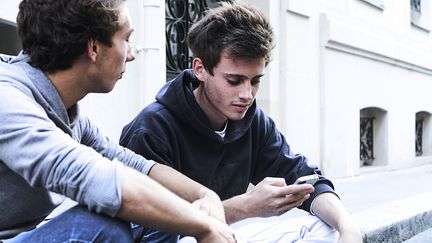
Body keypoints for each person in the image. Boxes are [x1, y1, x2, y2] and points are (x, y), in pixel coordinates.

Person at [120, 2, 362, 242]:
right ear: (200, 69)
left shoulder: (252, 120)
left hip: (226, 236)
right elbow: (147, 233)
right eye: (234, 80)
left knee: (324, 227)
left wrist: (348, 227)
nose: (247, 94)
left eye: (255, 81)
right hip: (182, 240)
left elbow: (302, 176)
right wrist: (245, 207)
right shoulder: (151, 129)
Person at [0, 0, 237, 242]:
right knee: (98, 226)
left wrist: (205, 195)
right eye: (126, 39)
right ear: (93, 47)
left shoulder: (68, 111)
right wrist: (203, 227)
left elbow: (132, 164)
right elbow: (95, 178)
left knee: (163, 211)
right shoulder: (8, 99)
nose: (131, 54)